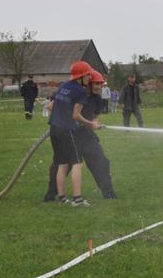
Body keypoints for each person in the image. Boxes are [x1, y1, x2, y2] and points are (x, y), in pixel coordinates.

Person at [44, 70, 117, 201]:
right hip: (69, 134)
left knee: (101, 161)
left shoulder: (97, 99)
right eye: (96, 84)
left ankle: (109, 193)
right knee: (60, 165)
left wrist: (94, 123)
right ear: (88, 83)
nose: (100, 87)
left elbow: (94, 117)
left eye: (101, 84)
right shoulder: (75, 93)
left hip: (86, 136)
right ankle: (51, 195)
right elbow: (51, 106)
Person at [48, 61, 100, 207]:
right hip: (66, 130)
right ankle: (77, 199)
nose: (90, 77)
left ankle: (62, 198)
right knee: (77, 163)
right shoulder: (81, 91)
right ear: (82, 76)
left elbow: (50, 106)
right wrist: (92, 124)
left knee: (62, 164)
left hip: (54, 129)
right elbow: (76, 115)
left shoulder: (64, 86)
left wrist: (62, 114)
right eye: (88, 74)